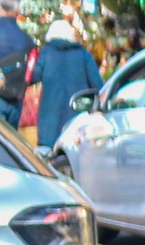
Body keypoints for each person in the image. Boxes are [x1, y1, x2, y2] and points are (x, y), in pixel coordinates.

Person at [30, 17, 102, 152]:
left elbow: (34, 76)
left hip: (49, 123)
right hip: (76, 119)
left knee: (48, 159)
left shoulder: (46, 53)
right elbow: (97, 84)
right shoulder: (83, 54)